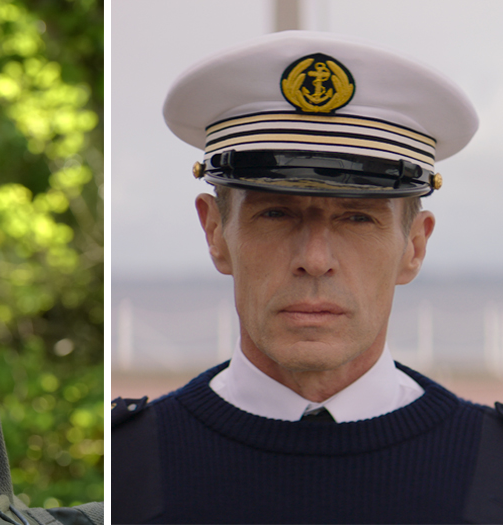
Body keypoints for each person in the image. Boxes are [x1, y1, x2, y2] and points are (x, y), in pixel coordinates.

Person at [111, 31, 503, 523]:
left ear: (414, 246)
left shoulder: (493, 466)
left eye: (358, 218)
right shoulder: (123, 466)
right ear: (215, 231)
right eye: (275, 214)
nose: (315, 260)